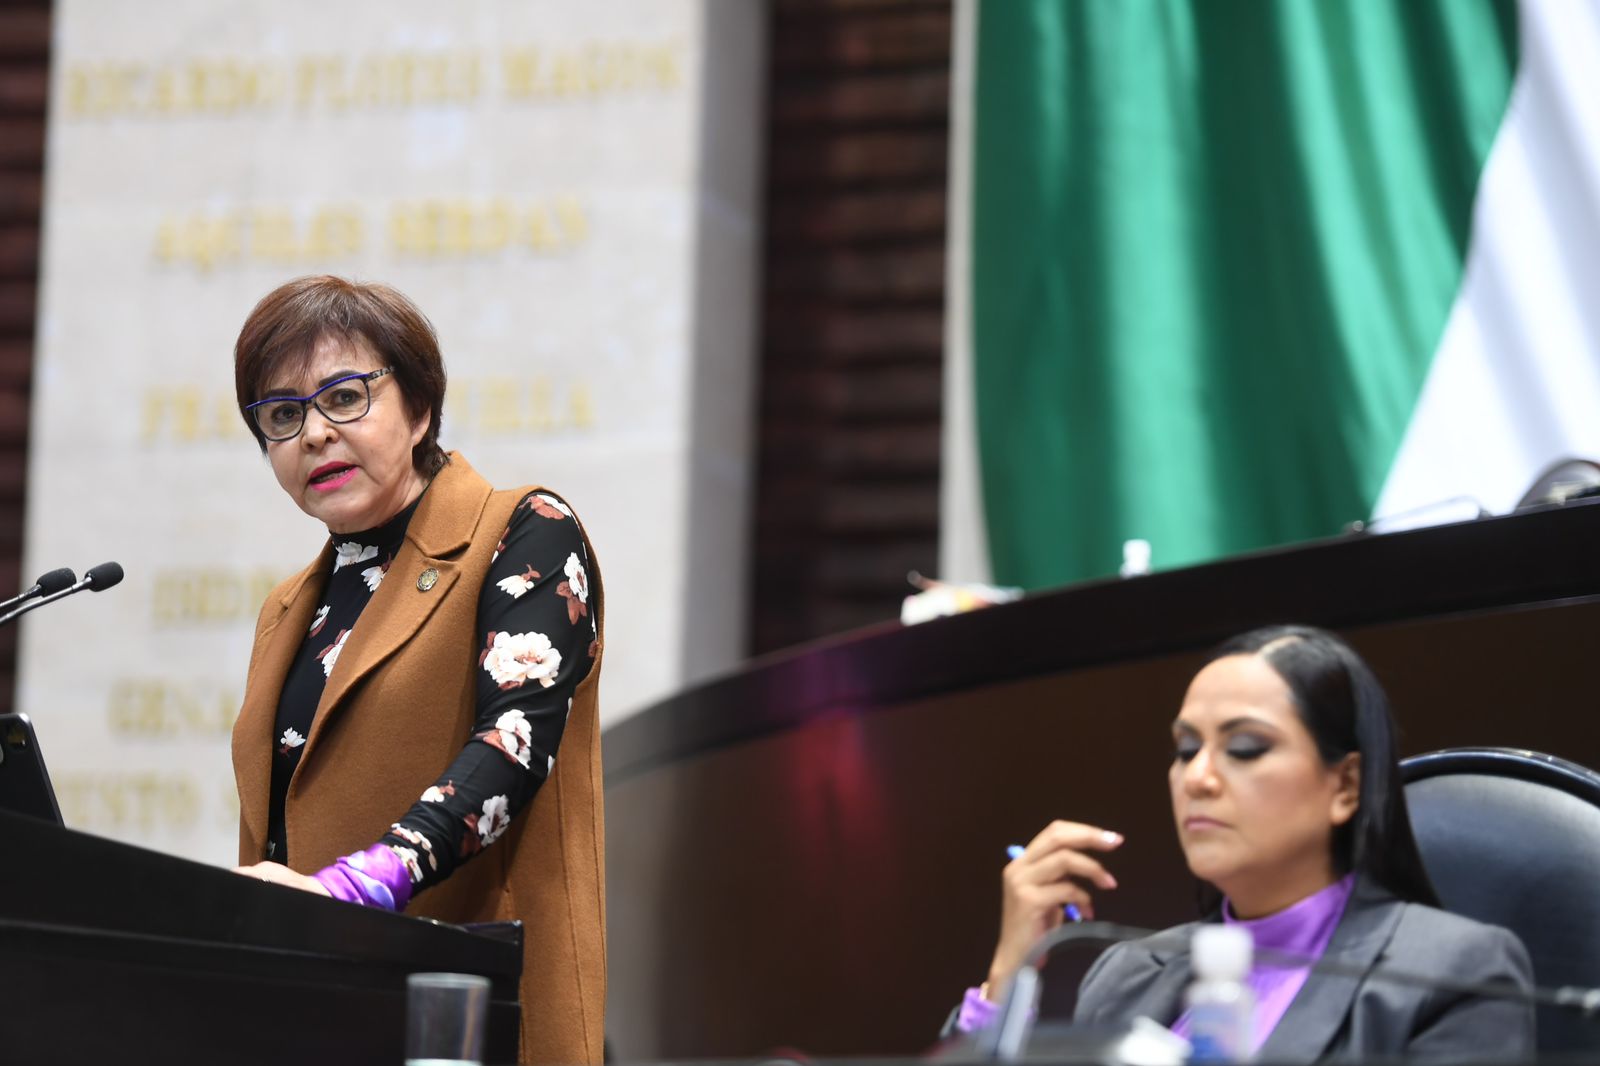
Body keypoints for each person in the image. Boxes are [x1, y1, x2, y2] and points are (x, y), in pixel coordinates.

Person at [227, 276, 605, 1066]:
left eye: (345, 397)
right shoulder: (288, 609)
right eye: (284, 415)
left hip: (471, 1015)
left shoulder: (523, 532)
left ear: (421, 407)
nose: (315, 434)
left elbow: (512, 746)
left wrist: (355, 889)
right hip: (313, 1020)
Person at [954, 625, 1535, 1061]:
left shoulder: (1453, 973)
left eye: (1245, 748)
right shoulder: (1124, 975)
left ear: (1345, 786)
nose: (1198, 777)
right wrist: (1009, 973)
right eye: (1186, 750)